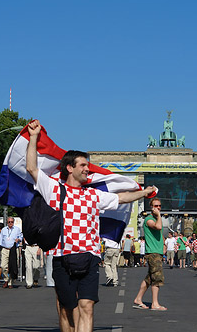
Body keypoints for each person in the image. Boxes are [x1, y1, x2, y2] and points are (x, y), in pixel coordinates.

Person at [26, 119, 156, 332]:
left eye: (88, 165)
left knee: (86, 306)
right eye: (83, 165)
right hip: (61, 257)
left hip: (89, 256)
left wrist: (143, 193)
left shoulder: (94, 195)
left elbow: (121, 198)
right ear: (70, 168)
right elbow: (31, 167)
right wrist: (33, 137)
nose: (88, 169)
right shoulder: (54, 189)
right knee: (67, 309)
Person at [133, 198, 167, 311]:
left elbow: (160, 233)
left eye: (159, 206)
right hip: (153, 252)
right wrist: (159, 216)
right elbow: (158, 227)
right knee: (157, 277)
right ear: (151, 207)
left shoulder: (157, 219)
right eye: (155, 206)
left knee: (149, 278)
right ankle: (155, 303)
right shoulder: (149, 219)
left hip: (158, 251)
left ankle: (138, 298)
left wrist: (164, 245)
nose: (158, 208)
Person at [0, 217, 22, 289]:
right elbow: (0, 240)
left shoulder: (17, 229)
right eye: (9, 222)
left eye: (11, 222)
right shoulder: (4, 230)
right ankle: (6, 279)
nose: (10, 223)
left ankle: (10, 282)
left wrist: (19, 239)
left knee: (12, 266)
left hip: (13, 249)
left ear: (13, 222)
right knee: (3, 266)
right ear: (7, 222)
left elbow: (21, 236)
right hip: (5, 249)